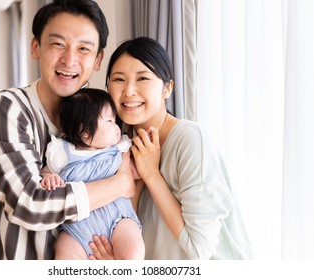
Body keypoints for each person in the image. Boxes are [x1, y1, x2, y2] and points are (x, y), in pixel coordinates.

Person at [0, 0, 136, 260]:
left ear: (98, 59)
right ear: (35, 46)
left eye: (84, 48)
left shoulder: (105, 115)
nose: (70, 59)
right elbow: (29, 204)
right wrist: (120, 184)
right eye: (58, 44)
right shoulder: (7, 109)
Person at [89, 37, 253, 260]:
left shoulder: (190, 140)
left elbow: (199, 250)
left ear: (167, 88)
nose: (128, 91)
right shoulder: (117, 148)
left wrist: (152, 175)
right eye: (119, 79)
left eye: (143, 78)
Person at [40, 88, 144, 260]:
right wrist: (48, 177)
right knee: (64, 253)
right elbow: (46, 172)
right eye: (110, 121)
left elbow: (135, 173)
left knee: (133, 250)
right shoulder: (62, 152)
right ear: (85, 132)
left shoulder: (118, 149)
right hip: (76, 229)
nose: (117, 127)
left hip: (117, 219)